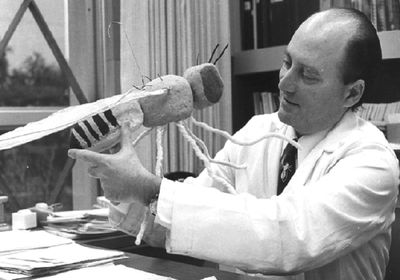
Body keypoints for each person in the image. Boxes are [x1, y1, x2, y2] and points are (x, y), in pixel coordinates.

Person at [68, 8, 399, 280]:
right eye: (287, 62)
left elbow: (290, 238)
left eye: (308, 75)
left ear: (352, 93)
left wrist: (149, 188)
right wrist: (122, 182)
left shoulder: (373, 161)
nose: (284, 82)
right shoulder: (258, 130)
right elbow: (181, 219)